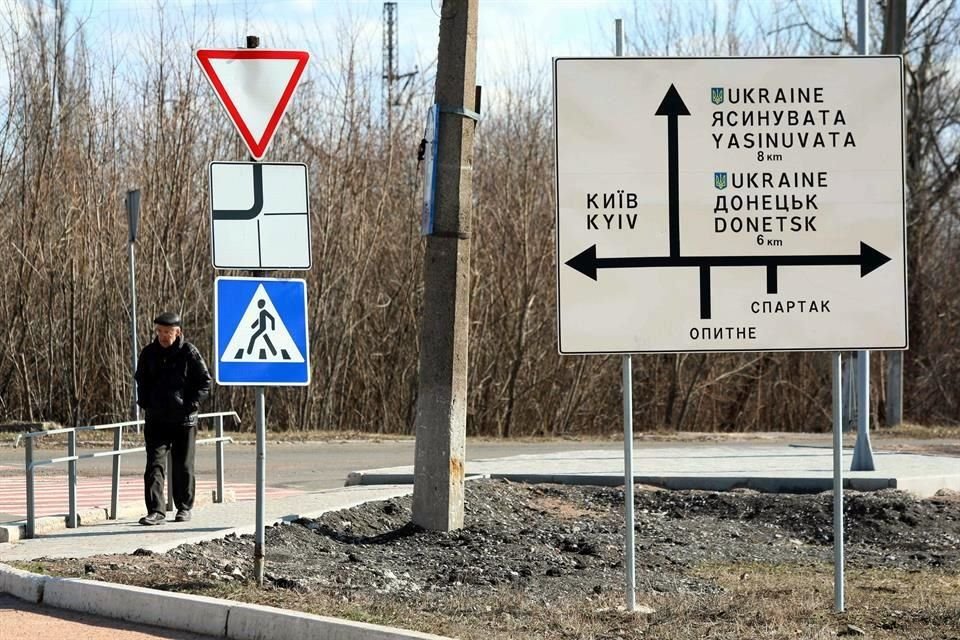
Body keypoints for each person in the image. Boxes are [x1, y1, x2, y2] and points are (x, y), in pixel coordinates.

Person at [135, 312, 212, 525]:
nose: (163, 336)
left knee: (183, 466)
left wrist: (191, 405)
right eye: (159, 331)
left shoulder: (189, 352)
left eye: (167, 332)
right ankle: (156, 511)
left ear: (177, 332)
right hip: (157, 419)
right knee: (154, 465)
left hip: (184, 420)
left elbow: (205, 382)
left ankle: (184, 508)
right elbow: (140, 379)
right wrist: (145, 403)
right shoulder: (149, 353)